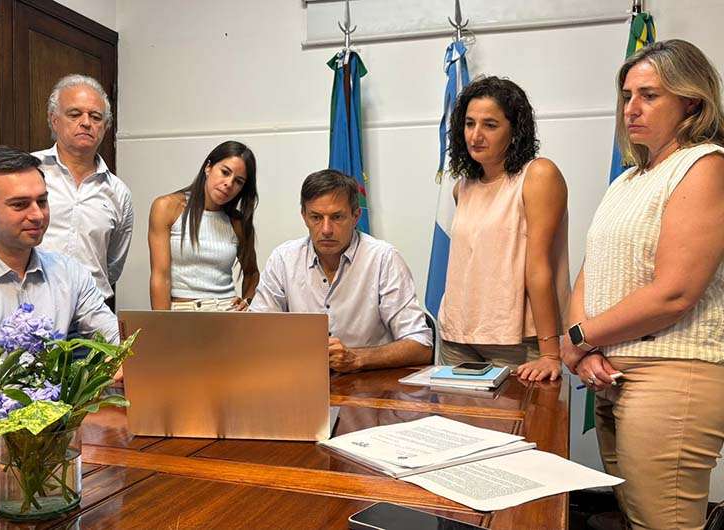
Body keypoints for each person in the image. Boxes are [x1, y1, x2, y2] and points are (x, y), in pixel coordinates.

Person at [561, 40, 724, 530]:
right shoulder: (627, 179)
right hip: (611, 374)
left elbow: (674, 293)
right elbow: (591, 271)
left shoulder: (705, 165)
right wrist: (583, 351)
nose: (631, 108)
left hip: (672, 374)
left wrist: (579, 338)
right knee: (635, 520)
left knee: (662, 523)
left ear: (691, 102)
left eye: (649, 95)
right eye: (627, 95)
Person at [0, 146, 119, 371]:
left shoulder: (69, 272)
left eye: (42, 201)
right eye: (20, 205)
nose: (37, 215)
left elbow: (118, 339)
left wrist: (129, 360)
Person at [438, 76, 570, 382]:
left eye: (490, 125)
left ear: (515, 130)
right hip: (458, 339)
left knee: (522, 416)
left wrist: (550, 353)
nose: (476, 135)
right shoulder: (463, 187)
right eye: (469, 124)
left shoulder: (538, 174)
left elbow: (539, 267)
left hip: (517, 342)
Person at [0, 74, 133, 304]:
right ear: (54, 120)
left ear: (105, 126)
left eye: (95, 117)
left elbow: (112, 264)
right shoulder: (21, 173)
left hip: (90, 311)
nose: (86, 122)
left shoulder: (118, 192)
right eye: (75, 114)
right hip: (19, 305)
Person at [250, 169, 432, 372]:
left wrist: (357, 358)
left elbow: (421, 346)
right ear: (304, 216)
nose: (326, 229)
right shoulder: (283, 259)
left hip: (369, 383)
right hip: (301, 379)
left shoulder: (383, 258)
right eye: (316, 217)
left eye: (337, 217)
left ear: (356, 216)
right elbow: (256, 334)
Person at [148, 141, 259, 311]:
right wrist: (162, 323)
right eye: (225, 172)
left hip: (227, 311)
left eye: (238, 181)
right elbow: (160, 277)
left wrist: (248, 301)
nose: (229, 183)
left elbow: (252, 273)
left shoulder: (237, 222)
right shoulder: (167, 207)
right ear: (208, 167)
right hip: (182, 311)